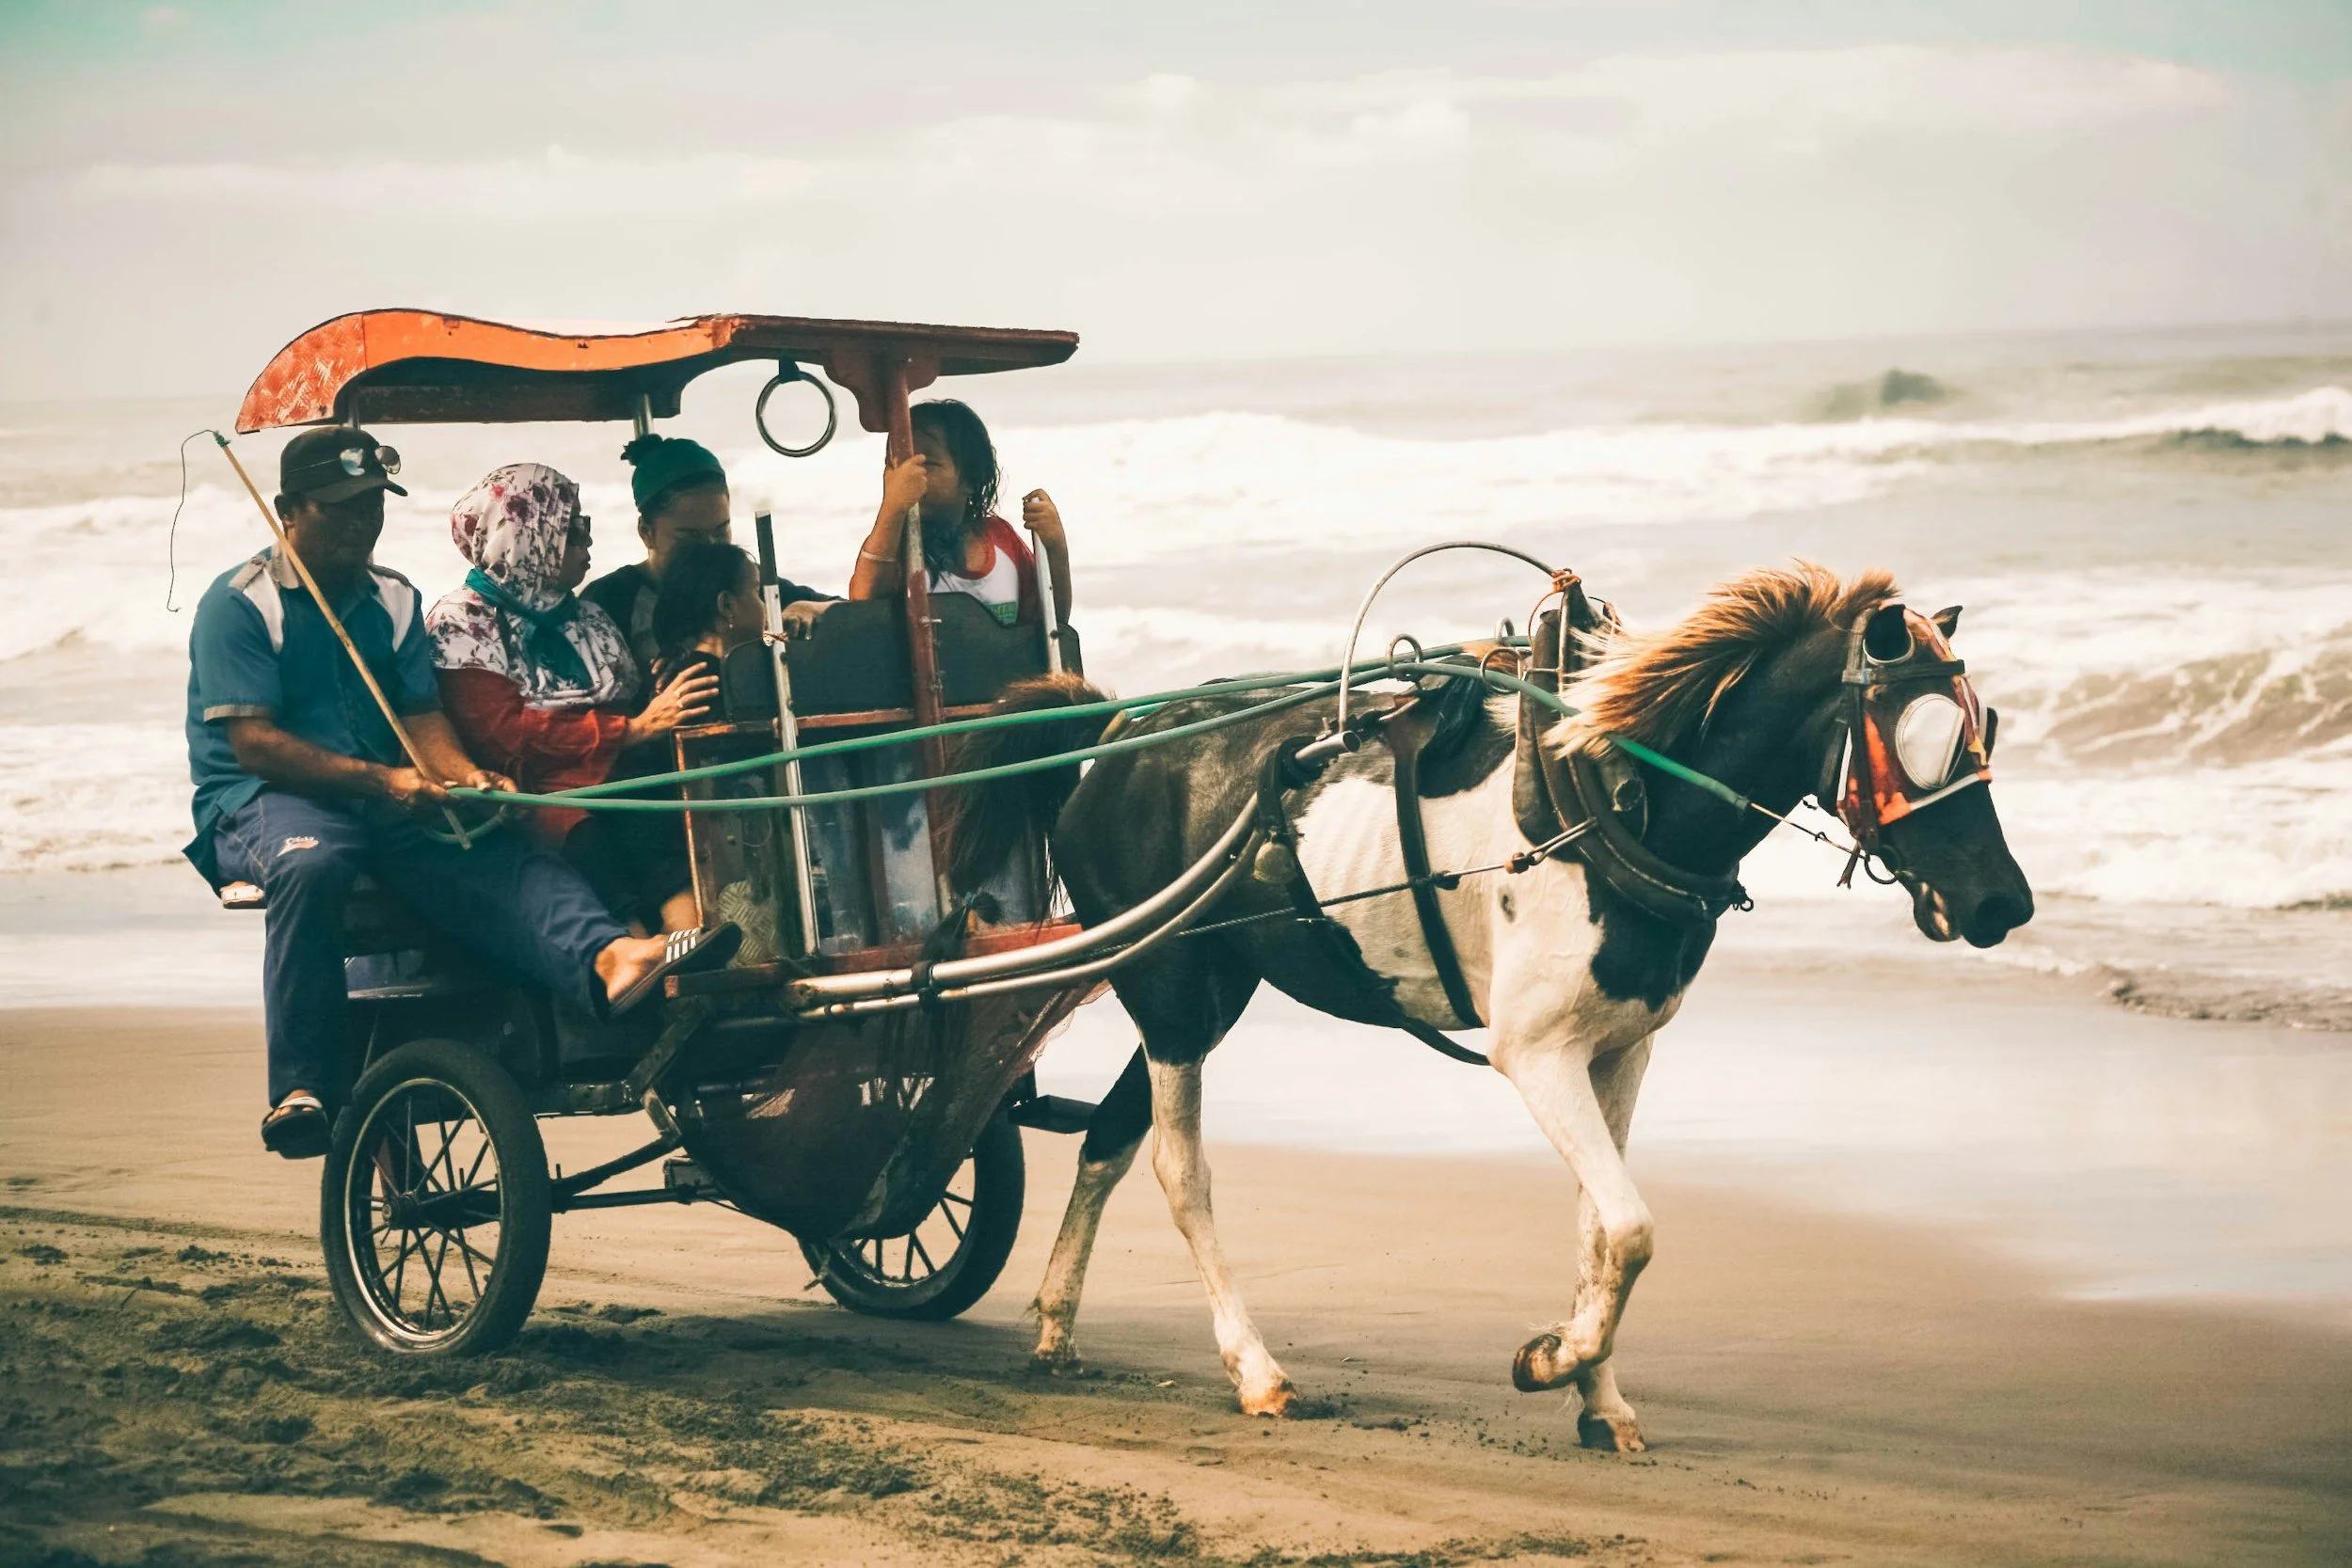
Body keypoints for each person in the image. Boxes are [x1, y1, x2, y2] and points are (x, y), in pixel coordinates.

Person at [184, 427, 739, 1161]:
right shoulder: (240, 603)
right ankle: (301, 1085)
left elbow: (422, 719)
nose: (361, 523)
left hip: (382, 792)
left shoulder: (393, 598)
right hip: (264, 797)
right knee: (314, 862)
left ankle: (612, 957)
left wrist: (463, 777)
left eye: (372, 506)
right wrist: (386, 779)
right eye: (340, 508)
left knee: (488, 839)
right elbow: (253, 744)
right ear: (288, 510)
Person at [427, 463, 716, 934]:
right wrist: (631, 730)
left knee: (654, 815)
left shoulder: (589, 617)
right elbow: (502, 736)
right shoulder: (462, 622)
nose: (589, 542)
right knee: (585, 836)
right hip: (531, 790)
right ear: (527, 537)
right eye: (574, 530)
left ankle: (687, 935)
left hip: (613, 776)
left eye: (584, 526)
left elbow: (632, 699)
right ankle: (639, 946)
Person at [581, 433, 830, 681]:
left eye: (721, 531)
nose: (711, 547)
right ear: (646, 533)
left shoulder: (745, 582)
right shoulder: (611, 600)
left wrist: (807, 608)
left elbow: (844, 610)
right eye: (690, 536)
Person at [849, 399, 1072, 628]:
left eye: (927, 463)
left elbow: (1051, 623)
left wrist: (1056, 548)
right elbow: (865, 603)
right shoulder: (892, 546)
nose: (908, 475)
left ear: (971, 480)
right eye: (895, 465)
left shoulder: (1001, 540)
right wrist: (892, 509)